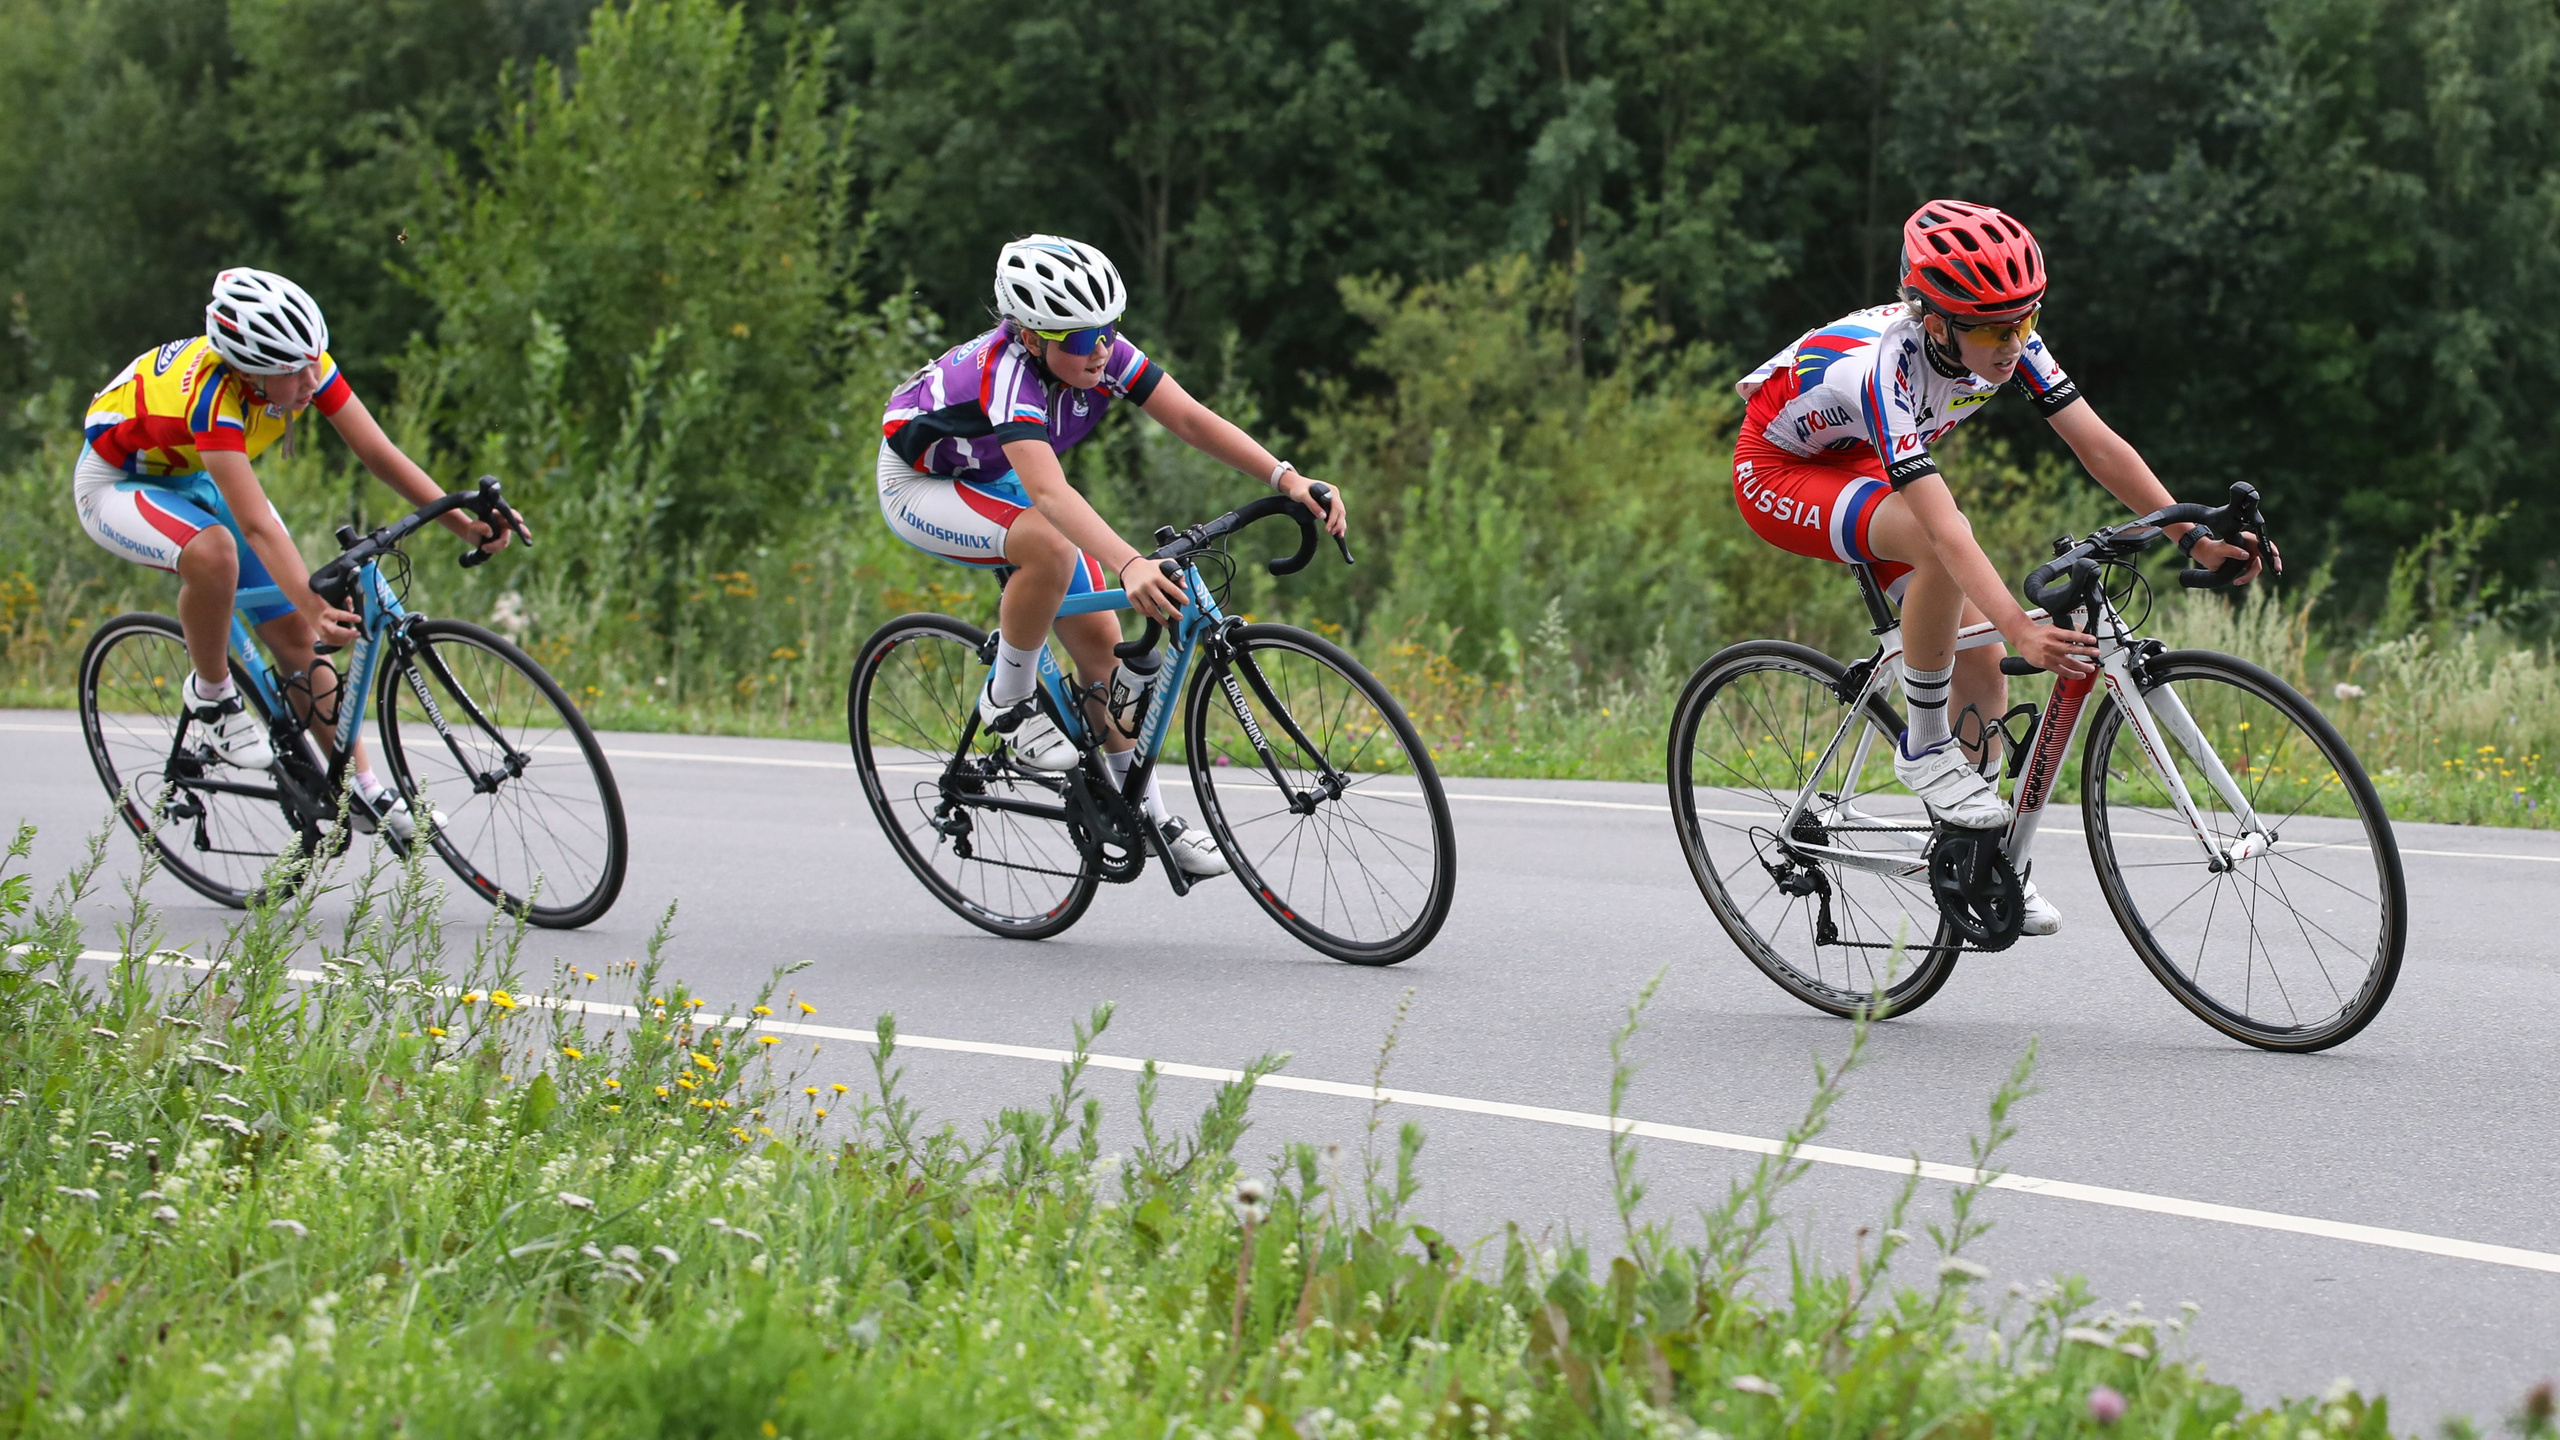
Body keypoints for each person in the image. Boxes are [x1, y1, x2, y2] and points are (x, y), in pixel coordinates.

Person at [1730, 199, 2265, 936]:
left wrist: (2188, 534)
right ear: (1935, 318)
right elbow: (1946, 530)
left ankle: (1982, 864)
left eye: (2027, 319)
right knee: (1938, 543)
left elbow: (2097, 444)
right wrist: (2019, 625)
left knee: (1978, 668)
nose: (2012, 343)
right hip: (1783, 470)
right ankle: (1922, 748)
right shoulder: (1883, 370)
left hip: (1868, 463)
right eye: (1990, 327)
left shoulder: (2009, 339)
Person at [877, 235, 1347, 877]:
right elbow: (1049, 493)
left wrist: (1285, 478)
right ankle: (1007, 701)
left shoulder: (1099, 352)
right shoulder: (1009, 375)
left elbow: (1189, 419)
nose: (1100, 349)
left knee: (1102, 641)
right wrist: (1129, 563)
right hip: (923, 484)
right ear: (1035, 338)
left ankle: (1146, 815)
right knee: (1049, 547)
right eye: (1079, 339)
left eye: (1108, 330)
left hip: (997, 470)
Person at [76, 267, 521, 840]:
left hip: (192, 474)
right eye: (292, 372)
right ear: (248, 372)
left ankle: (359, 790)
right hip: (116, 483)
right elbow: (258, 525)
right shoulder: (214, 398)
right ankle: (211, 697)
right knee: (215, 555)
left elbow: (377, 451)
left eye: (315, 359)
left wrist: (462, 523)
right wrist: (315, 604)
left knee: (290, 632)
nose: (312, 379)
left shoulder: (306, 364)